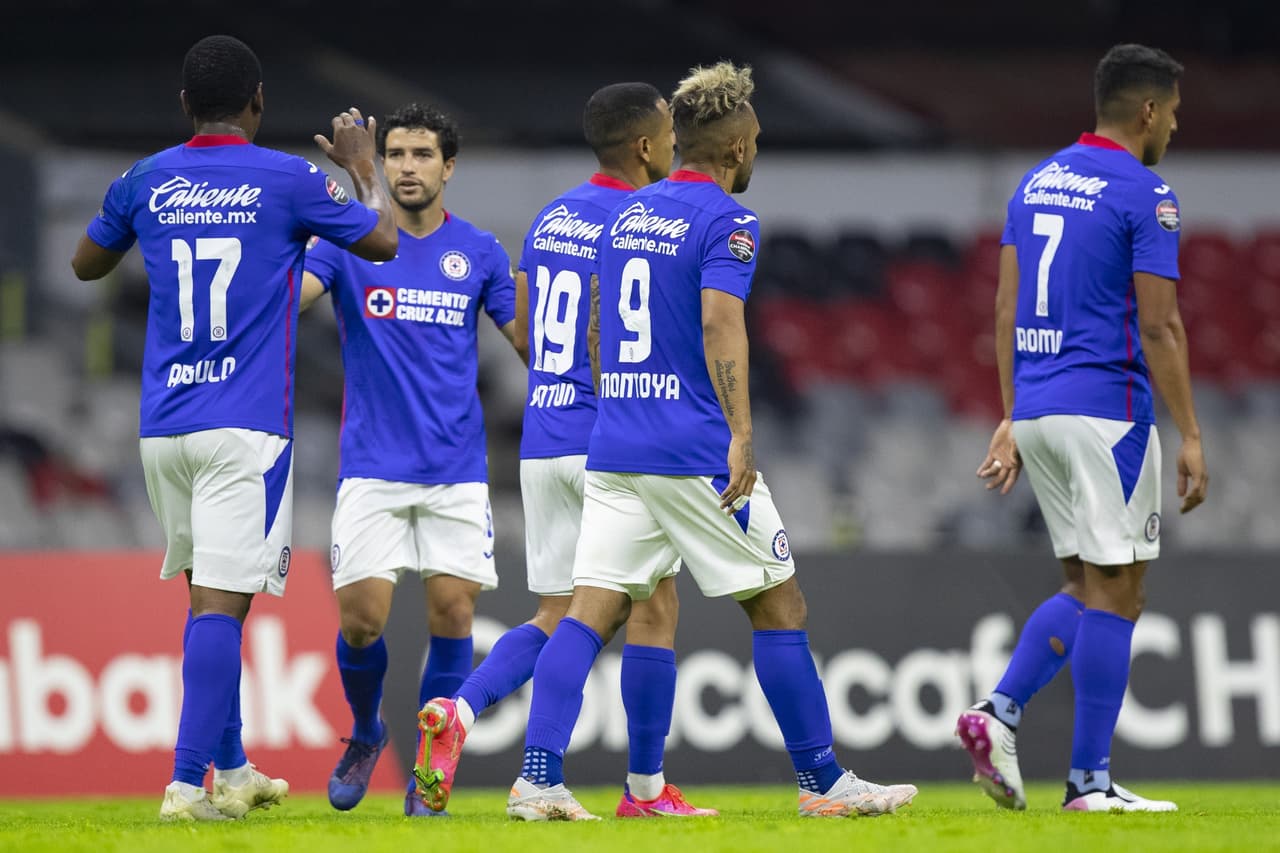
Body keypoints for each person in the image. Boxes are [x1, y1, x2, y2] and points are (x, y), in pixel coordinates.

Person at [420, 61, 918, 822]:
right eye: (754, 141)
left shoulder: (625, 215)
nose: (756, 153)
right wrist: (742, 431)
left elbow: (595, 323)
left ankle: (539, 780)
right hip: (689, 449)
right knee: (779, 601)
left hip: (615, 446)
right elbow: (722, 320)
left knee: (585, 611)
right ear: (737, 145)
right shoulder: (728, 221)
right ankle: (823, 780)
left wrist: (621, 395)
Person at [71, 35, 397, 821]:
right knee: (224, 608)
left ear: (185, 105)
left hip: (165, 426)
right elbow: (381, 242)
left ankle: (233, 764)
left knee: (201, 600)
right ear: (258, 102)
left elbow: (85, 265)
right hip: (243, 427)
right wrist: (361, 170)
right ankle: (189, 785)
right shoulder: (289, 179)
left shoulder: (145, 177)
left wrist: (133, 211)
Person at [413, 83, 716, 819]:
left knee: (559, 611)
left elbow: (523, 323)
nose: (677, 142)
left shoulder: (551, 217)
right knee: (650, 608)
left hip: (543, 436)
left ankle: (463, 708)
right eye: (671, 130)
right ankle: (621, 786)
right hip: (610, 438)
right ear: (645, 144)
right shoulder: (643, 219)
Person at [956, 43, 1208, 813]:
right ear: (1148, 111)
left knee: (1082, 583)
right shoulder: (1146, 191)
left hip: (1036, 407)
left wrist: (1011, 409)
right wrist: (1192, 433)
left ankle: (997, 712)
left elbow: (1004, 309)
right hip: (1109, 411)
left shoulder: (1036, 182)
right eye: (1172, 112)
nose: (1174, 125)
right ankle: (1089, 780)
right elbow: (1160, 326)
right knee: (1121, 592)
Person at [299, 103, 526, 817]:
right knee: (362, 621)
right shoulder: (343, 245)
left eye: (422, 154)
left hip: (456, 470)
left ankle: (431, 765)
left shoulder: (481, 251)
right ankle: (366, 731)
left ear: (448, 167)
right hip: (370, 467)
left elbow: (527, 344)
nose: (405, 165)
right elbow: (289, 304)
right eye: (394, 153)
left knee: (453, 614)